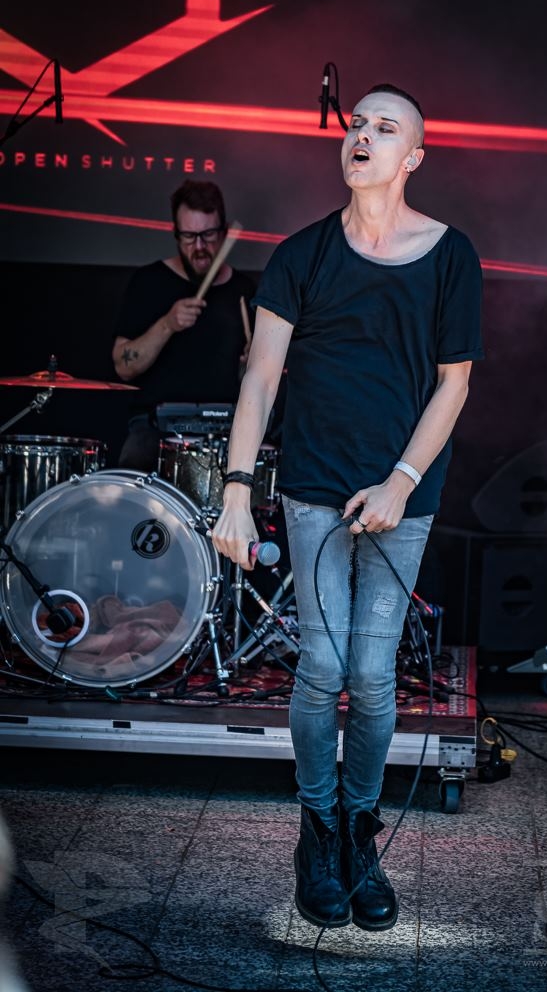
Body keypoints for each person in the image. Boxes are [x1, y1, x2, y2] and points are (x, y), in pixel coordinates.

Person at [211, 83, 483, 931]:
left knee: (371, 676)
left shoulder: (450, 255)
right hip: (315, 486)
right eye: (356, 124)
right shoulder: (302, 255)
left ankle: (358, 833)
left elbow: (453, 386)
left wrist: (401, 481)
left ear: (413, 158)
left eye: (384, 127)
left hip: (405, 492)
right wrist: (235, 491)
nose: (362, 135)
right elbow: (260, 378)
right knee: (323, 668)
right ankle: (317, 829)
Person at [112, 179, 256, 472]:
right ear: (176, 234)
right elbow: (123, 367)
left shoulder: (244, 291)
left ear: (224, 232)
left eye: (208, 235)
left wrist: (249, 366)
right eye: (189, 236)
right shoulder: (149, 282)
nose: (200, 247)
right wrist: (167, 324)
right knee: (134, 462)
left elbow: (254, 387)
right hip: (155, 429)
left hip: (226, 429)